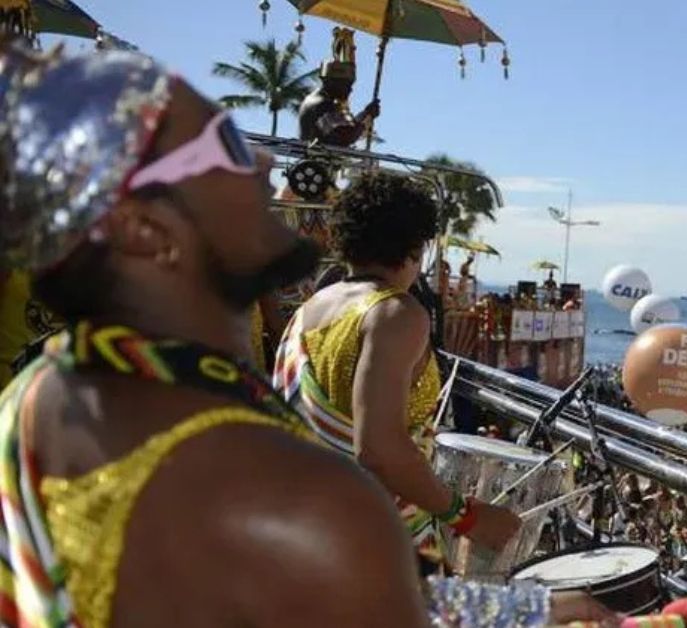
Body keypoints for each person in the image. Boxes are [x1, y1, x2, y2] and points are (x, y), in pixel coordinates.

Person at [0, 38, 429, 626]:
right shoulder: (295, 498)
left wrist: (535, 608)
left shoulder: (41, 391)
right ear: (145, 229)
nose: (263, 162)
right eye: (225, 143)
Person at [274, 170, 521, 575]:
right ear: (415, 246)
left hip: (302, 523)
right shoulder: (395, 314)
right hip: (367, 539)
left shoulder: (312, 307)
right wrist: (468, 516)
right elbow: (376, 448)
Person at [297, 28, 381, 147]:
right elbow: (345, 137)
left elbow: (346, 128)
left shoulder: (322, 99)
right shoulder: (321, 104)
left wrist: (365, 114)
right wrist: (368, 116)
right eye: (346, 85)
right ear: (331, 82)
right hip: (315, 163)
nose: (350, 90)